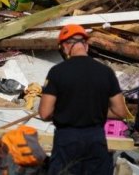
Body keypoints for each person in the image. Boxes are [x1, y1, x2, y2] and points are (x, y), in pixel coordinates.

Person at [38, 24, 127, 175]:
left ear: (66, 46)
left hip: (67, 140)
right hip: (96, 139)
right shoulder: (106, 72)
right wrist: (92, 111)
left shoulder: (57, 72)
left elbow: (45, 113)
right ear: (85, 45)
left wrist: (67, 112)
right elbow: (120, 112)